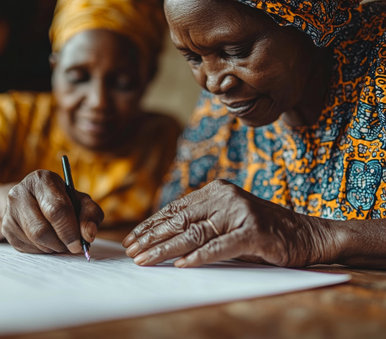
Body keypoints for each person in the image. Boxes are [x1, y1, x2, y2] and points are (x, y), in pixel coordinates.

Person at [123, 0, 386, 269]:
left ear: (307, 19)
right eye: (193, 58)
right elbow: (174, 223)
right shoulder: (222, 109)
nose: (213, 83)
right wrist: (84, 218)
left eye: (236, 51)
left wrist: (315, 236)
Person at [0, 0, 182, 254]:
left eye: (122, 83)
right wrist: (5, 206)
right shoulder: (10, 117)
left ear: (148, 76)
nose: (98, 102)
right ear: (55, 68)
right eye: (78, 77)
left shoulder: (164, 141)